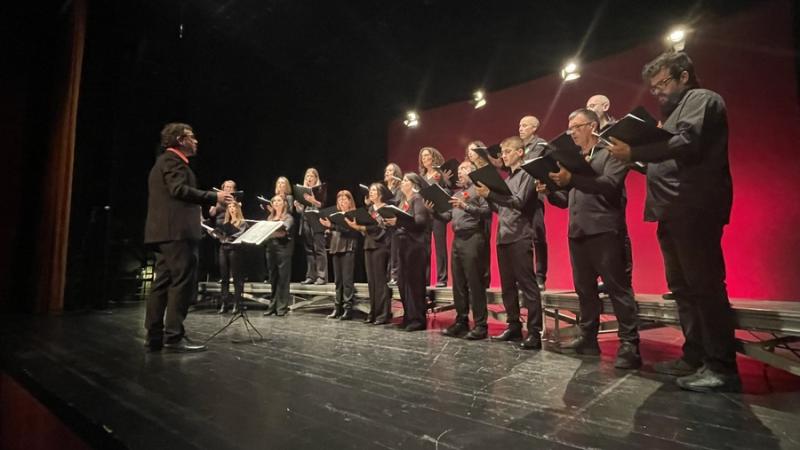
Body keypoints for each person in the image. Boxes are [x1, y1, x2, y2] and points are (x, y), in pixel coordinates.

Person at [607, 51, 739, 392]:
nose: (658, 92)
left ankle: (721, 366)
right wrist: (631, 157)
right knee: (682, 289)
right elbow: (663, 159)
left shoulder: (701, 99)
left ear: (684, 76)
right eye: (653, 88)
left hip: (693, 207)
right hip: (670, 210)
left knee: (705, 287)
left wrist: (635, 152)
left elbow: (687, 143)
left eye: (663, 83)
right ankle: (694, 356)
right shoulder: (670, 116)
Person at [543, 108, 641, 369]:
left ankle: (629, 345)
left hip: (605, 230)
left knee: (617, 288)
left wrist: (572, 178)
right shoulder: (576, 159)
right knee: (584, 290)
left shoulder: (611, 151)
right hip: (578, 232)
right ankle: (588, 338)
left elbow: (610, 184)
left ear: (592, 126)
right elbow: (566, 200)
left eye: (576, 127)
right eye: (569, 127)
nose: (571, 132)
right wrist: (550, 190)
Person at [144, 122, 232, 352]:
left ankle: (154, 335)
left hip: (164, 233)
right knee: (181, 283)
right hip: (177, 233)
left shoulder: (161, 162)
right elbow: (178, 190)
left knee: (162, 282)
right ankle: (174, 337)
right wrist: (214, 197)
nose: (196, 141)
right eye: (191, 137)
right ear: (180, 140)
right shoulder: (173, 161)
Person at [475, 136, 543, 350]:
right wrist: (487, 196)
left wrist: (492, 193)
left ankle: (533, 332)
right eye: (502, 152)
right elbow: (500, 208)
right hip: (503, 236)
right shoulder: (507, 179)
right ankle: (513, 326)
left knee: (528, 287)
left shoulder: (527, 174)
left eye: (507, 151)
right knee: (507, 288)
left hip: (520, 235)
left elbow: (519, 202)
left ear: (520, 152)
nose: (503, 155)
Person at [426, 161, 491, 340]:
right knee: (458, 284)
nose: (460, 172)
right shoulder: (457, 193)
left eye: (465, 169)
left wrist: (466, 206)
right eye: (460, 169)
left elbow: (487, 211)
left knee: (474, 283)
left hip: (473, 237)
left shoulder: (479, 189)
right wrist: (433, 212)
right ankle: (461, 321)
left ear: (473, 172)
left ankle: (480, 325)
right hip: (457, 239)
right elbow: (447, 216)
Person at [586, 95, 635, 292]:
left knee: (619, 234)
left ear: (605, 106)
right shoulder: (590, 132)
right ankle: (604, 278)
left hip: (613, 186)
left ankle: (625, 279)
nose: (589, 108)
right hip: (592, 189)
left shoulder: (617, 129)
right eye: (587, 106)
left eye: (593, 105)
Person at [386, 173, 432, 332]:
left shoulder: (417, 199)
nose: (402, 182)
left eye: (405, 180)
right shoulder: (401, 202)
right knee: (403, 283)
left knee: (414, 284)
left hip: (416, 247)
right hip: (403, 246)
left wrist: (397, 221)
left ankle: (418, 319)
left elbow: (420, 222)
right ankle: (408, 316)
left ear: (414, 184)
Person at [347, 183, 394, 325]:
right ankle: (373, 312)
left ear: (380, 193)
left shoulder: (386, 208)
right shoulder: (369, 209)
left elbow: (380, 226)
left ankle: (383, 314)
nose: (371, 193)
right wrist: (359, 228)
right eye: (370, 190)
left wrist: (362, 227)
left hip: (381, 245)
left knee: (380, 281)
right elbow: (367, 228)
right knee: (371, 281)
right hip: (369, 244)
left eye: (374, 190)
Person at [519, 115, 549, 291]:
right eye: (520, 125)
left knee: (538, 237)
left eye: (524, 125)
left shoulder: (540, 145)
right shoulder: (518, 147)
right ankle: (525, 277)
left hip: (535, 197)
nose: (520, 128)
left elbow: (531, 165)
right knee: (522, 239)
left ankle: (540, 276)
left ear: (534, 128)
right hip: (519, 197)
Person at [320, 190, 360, 320]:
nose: (342, 202)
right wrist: (328, 230)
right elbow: (335, 231)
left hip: (348, 247)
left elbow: (350, 230)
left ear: (350, 201)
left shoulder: (353, 215)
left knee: (347, 280)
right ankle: (337, 308)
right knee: (338, 281)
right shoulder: (335, 215)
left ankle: (348, 309)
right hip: (336, 247)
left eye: (345, 199)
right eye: (340, 199)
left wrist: (332, 225)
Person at [419, 147, 450, 287]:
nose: (424, 158)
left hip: (438, 213)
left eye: (427, 156)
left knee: (440, 247)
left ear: (434, 157)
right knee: (424, 247)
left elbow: (449, 189)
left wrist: (442, 180)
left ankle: (442, 279)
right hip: (424, 214)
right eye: (422, 156)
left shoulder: (440, 174)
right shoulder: (421, 177)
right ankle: (424, 279)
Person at [465, 140, 493, 288]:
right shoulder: (469, 169)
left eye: (473, 150)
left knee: (484, 244)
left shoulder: (487, 168)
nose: (470, 152)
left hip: (485, 206)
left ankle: (485, 278)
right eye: (468, 150)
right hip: (472, 210)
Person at [263, 194, 295, 317]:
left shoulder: (288, 217)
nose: (276, 203)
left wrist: (271, 232)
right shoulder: (270, 218)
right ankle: (272, 305)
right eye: (274, 201)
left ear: (284, 203)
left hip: (283, 249)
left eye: (279, 200)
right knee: (273, 278)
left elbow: (283, 231)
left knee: (283, 278)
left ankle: (282, 307)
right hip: (270, 249)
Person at [295, 168, 328, 285]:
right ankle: (310, 276)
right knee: (309, 249)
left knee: (319, 249)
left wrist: (312, 200)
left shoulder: (320, 189)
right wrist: (298, 206)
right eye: (307, 176)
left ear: (316, 178)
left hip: (317, 220)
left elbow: (322, 205)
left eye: (311, 176)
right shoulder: (303, 191)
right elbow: (301, 211)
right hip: (305, 220)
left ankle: (322, 276)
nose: (309, 178)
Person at [216, 201, 248, 314]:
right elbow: (222, 236)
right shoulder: (225, 222)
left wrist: (229, 234)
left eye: (233, 207)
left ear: (237, 209)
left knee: (236, 277)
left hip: (235, 249)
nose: (231, 209)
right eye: (229, 207)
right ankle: (224, 303)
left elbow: (239, 235)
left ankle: (237, 304)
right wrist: (217, 234)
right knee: (224, 277)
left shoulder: (242, 222)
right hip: (223, 248)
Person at [384, 163, 403, 286]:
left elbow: (398, 204)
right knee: (387, 251)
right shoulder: (384, 189)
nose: (387, 172)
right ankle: (388, 276)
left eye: (390, 171)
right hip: (386, 225)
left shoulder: (399, 190)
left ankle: (395, 276)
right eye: (386, 170)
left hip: (396, 224)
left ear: (396, 174)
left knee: (395, 252)